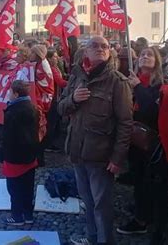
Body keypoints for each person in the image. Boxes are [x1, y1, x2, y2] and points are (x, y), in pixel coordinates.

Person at [58, 36, 133, 245]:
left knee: (102, 205)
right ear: (85, 51)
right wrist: (73, 99)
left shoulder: (118, 82)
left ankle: (104, 241)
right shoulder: (77, 75)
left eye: (104, 46)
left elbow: (126, 123)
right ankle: (91, 238)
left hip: (101, 156)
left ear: (109, 52)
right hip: (77, 151)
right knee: (87, 202)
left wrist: (117, 158)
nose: (100, 49)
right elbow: (60, 108)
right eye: (94, 45)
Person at [117, 47, 168, 245]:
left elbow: (151, 109)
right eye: (143, 54)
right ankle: (142, 214)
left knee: (153, 185)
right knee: (138, 180)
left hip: (152, 143)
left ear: (157, 62)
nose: (145, 56)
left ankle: (152, 224)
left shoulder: (160, 85)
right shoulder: (131, 80)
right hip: (134, 140)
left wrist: (138, 87)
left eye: (150, 55)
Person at [0, 80, 39, 226]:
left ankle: (17, 216)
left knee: (14, 188)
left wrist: (0, 158)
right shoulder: (33, 108)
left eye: (10, 92)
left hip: (14, 157)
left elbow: (7, 138)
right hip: (30, 155)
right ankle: (28, 214)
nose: (9, 94)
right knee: (28, 187)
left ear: (16, 94)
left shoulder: (12, 112)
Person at [44, 48, 67, 153]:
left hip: (55, 96)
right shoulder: (51, 69)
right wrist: (73, 81)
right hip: (52, 98)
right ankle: (48, 143)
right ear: (49, 58)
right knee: (51, 122)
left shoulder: (54, 67)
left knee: (55, 121)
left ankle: (53, 141)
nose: (57, 58)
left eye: (57, 56)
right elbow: (61, 82)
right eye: (54, 57)